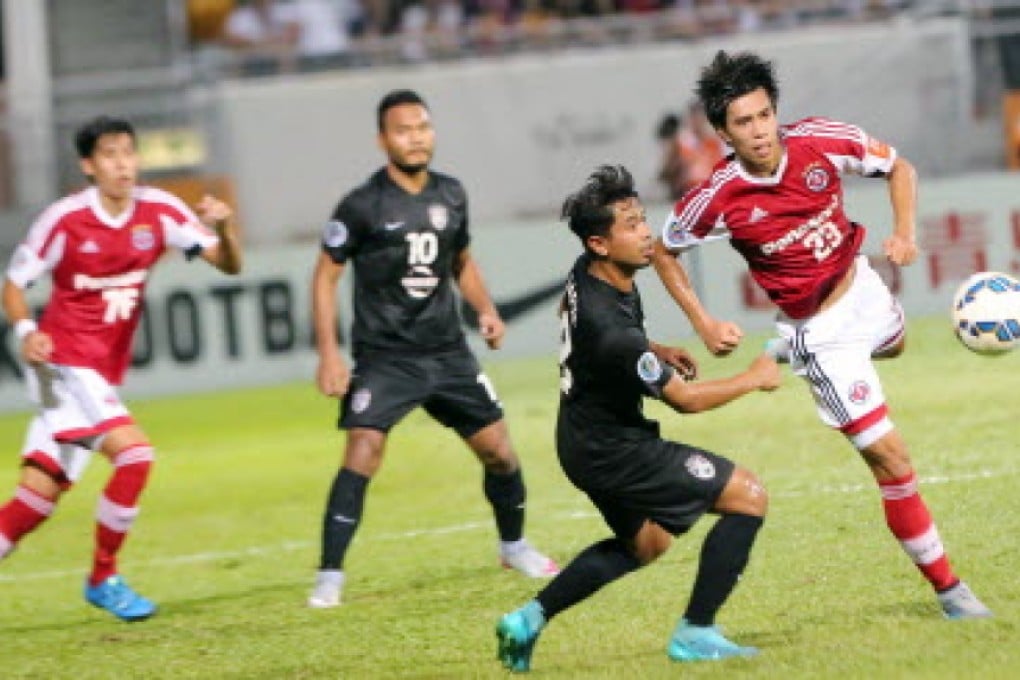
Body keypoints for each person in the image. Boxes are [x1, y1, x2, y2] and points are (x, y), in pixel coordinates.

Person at [652, 50, 992, 619]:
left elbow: (899, 168)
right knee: (890, 457)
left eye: (764, 116)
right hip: (820, 331)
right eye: (743, 123)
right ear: (723, 133)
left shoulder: (822, 141)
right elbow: (664, 251)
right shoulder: (718, 196)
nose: (759, 132)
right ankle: (951, 590)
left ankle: (805, 352)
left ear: (775, 111)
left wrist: (904, 233)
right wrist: (704, 322)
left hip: (862, 286)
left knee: (898, 343)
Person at [496, 165, 781, 672]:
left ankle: (529, 618)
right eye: (631, 225)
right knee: (748, 497)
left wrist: (656, 349)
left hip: (581, 441)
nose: (647, 233)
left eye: (643, 219)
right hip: (615, 449)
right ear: (600, 243)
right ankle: (696, 632)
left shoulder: (591, 274)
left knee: (646, 543)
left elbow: (609, 344)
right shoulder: (613, 332)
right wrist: (754, 377)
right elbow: (686, 401)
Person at [307, 89, 558, 609]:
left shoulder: (451, 194)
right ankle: (329, 578)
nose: (416, 138)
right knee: (363, 451)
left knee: (499, 451)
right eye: (403, 130)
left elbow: (461, 260)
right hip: (385, 358)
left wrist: (486, 310)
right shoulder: (361, 206)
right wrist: (329, 354)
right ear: (383, 140)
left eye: (422, 127)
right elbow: (325, 277)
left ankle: (513, 547)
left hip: (447, 353)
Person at [0, 115, 242, 621]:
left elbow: (228, 264)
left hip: (99, 371)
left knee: (36, 499)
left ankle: (99, 574)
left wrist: (223, 227)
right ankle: (103, 577)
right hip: (62, 361)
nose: (122, 164)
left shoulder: (160, 211)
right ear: (89, 166)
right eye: (109, 155)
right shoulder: (65, 220)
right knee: (135, 456)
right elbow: (14, 284)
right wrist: (27, 333)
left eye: (128, 153)